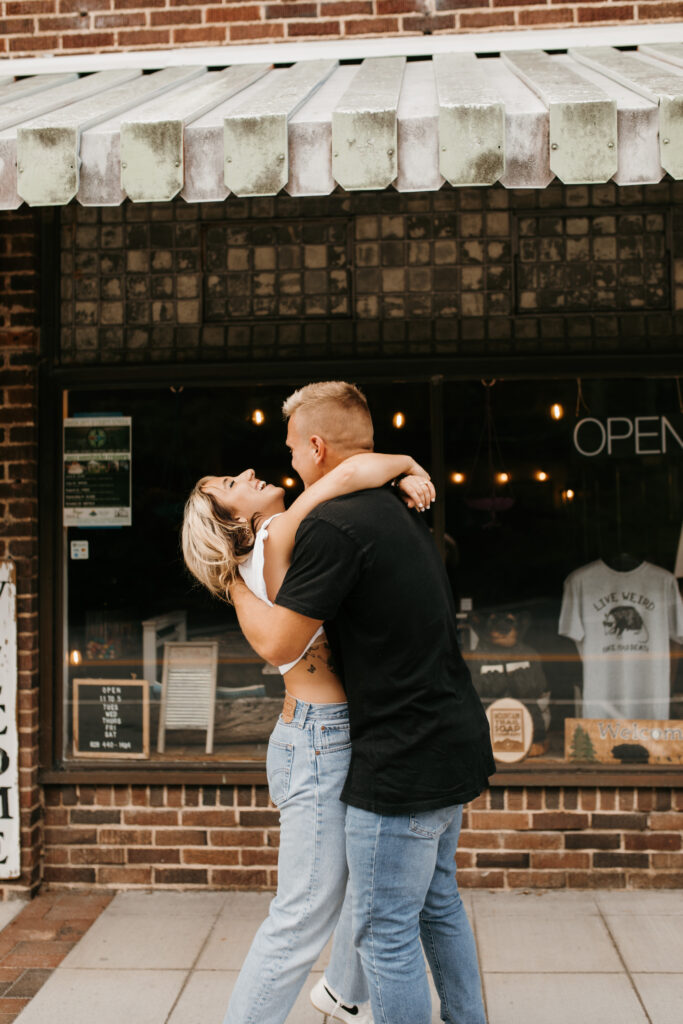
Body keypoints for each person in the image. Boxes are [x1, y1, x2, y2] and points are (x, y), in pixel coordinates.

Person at [229, 381, 496, 1024]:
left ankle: (342, 997)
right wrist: (405, 466)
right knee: (438, 904)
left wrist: (225, 578)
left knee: (385, 936)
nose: (288, 464)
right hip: (451, 733)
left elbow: (282, 640)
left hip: (398, 756)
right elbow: (358, 471)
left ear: (317, 446)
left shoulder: (329, 528)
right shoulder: (392, 511)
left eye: (292, 450)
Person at [182, 446, 434, 1024]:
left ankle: (344, 991)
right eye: (231, 481)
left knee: (368, 879)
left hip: (327, 734)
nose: (248, 472)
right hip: (319, 740)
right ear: (236, 520)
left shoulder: (260, 555)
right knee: (301, 914)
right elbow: (346, 474)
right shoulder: (275, 534)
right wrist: (410, 465)